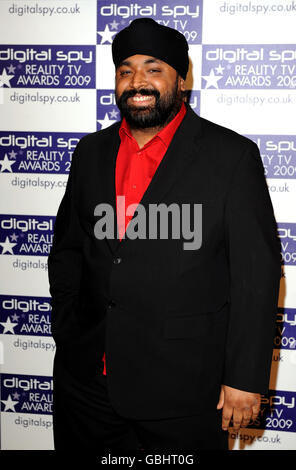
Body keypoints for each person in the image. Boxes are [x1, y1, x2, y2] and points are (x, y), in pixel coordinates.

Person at [48, 18, 281, 451]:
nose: (138, 81)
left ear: (182, 78)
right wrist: (68, 326)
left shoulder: (231, 157)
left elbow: (256, 275)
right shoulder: (90, 152)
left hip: (185, 392)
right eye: (126, 70)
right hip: (87, 387)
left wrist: (244, 377)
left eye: (154, 68)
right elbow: (68, 250)